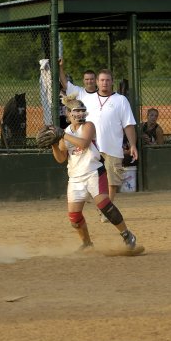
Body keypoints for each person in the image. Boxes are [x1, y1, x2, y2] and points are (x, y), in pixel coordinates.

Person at [48, 95, 141, 255]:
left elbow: (84, 144)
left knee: (104, 205)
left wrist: (62, 135)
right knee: (74, 218)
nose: (80, 114)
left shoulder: (88, 126)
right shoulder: (66, 132)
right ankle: (87, 243)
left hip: (93, 172)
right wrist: (54, 144)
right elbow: (61, 158)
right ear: (68, 114)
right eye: (76, 111)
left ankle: (127, 235)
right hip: (75, 177)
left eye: (82, 111)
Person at [86, 69, 138, 208]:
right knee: (90, 178)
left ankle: (107, 209)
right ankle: (100, 204)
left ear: (112, 82)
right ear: (97, 82)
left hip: (113, 147)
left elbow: (128, 124)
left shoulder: (121, 100)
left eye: (108, 80)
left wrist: (133, 145)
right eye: (102, 80)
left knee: (112, 180)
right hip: (92, 146)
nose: (105, 83)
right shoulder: (88, 99)